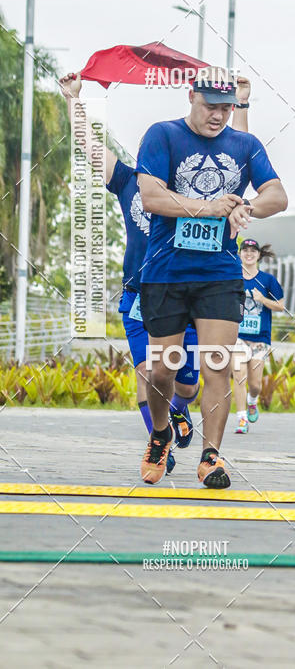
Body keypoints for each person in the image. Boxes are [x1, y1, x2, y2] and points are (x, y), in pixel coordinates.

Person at [136, 68, 287, 486]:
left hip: (219, 273)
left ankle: (211, 456)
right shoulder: (162, 135)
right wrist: (210, 207)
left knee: (216, 363)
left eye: (226, 108)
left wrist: (248, 208)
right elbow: (151, 196)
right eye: (210, 107)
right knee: (162, 369)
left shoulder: (245, 144)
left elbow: (278, 194)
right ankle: (161, 433)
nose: (218, 116)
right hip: (166, 272)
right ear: (191, 97)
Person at [58, 72, 213, 473]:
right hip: (139, 293)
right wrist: (74, 99)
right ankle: (159, 442)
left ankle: (178, 411)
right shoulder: (127, 180)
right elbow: (92, 148)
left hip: (186, 294)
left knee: (187, 384)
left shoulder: (187, 188)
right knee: (147, 371)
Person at [232, 239, 284, 433]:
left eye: (253, 251)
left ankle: (252, 400)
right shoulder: (233, 277)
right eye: (245, 250)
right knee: (239, 377)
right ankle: (241, 419)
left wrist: (262, 299)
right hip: (237, 336)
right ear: (240, 254)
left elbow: (280, 305)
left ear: (259, 255)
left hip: (260, 338)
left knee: (254, 385)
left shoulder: (268, 280)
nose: (248, 254)